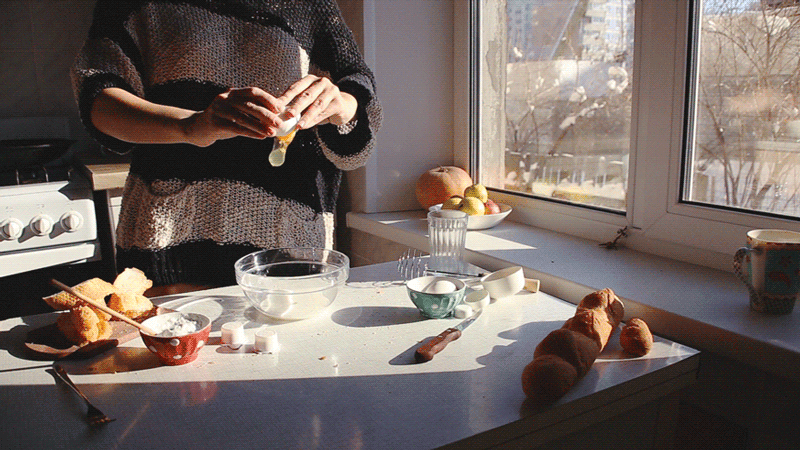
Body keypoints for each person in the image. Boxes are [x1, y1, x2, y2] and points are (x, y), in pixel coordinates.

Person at [72, 0, 382, 288]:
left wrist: (342, 103)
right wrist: (189, 126)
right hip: (170, 239)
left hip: (289, 241)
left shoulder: (308, 5)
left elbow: (358, 91)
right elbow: (98, 96)